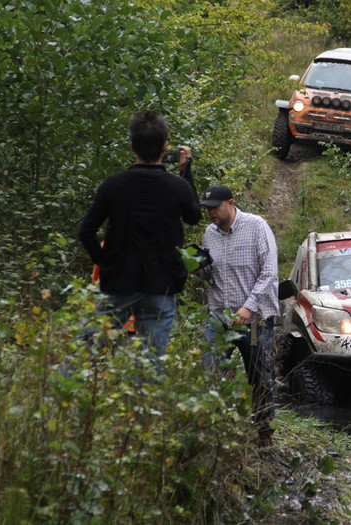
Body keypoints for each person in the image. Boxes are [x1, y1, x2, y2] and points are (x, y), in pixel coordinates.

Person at [78, 110, 201, 368]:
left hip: (118, 284)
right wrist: (185, 170)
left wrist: (107, 265)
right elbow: (193, 216)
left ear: (132, 146)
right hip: (161, 287)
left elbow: (86, 231)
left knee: (90, 357)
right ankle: (141, 408)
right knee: (149, 367)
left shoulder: (114, 184)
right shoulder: (177, 187)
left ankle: (81, 402)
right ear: (165, 146)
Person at [195, 184, 279, 447]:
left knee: (259, 376)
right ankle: (212, 435)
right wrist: (197, 268)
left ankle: (264, 434)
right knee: (209, 371)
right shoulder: (210, 234)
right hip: (219, 317)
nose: (211, 213)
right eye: (207, 209)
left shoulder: (256, 227)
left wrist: (249, 306)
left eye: (215, 207)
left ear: (230, 203)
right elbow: (212, 275)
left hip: (255, 321)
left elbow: (269, 272)